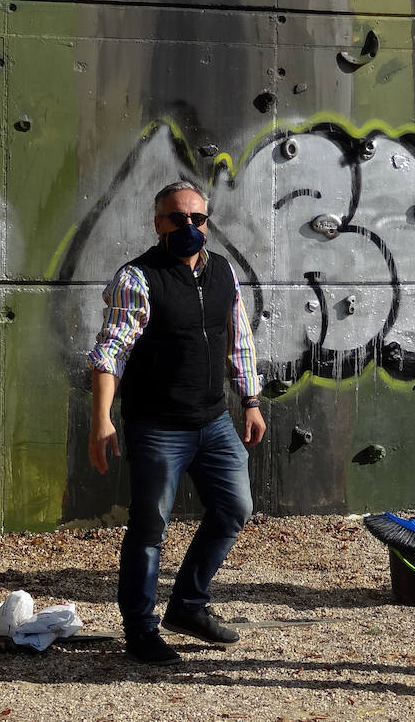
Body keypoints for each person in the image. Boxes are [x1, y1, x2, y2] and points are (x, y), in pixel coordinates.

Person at [87, 180, 266, 666]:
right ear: (158, 223)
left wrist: (250, 399)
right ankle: (140, 630)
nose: (190, 227)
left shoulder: (223, 273)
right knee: (149, 528)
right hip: (157, 427)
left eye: (198, 219)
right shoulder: (138, 278)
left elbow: (238, 339)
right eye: (178, 219)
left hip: (213, 420)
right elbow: (110, 353)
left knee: (234, 508)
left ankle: (188, 605)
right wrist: (102, 420)